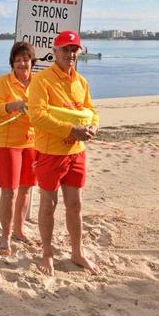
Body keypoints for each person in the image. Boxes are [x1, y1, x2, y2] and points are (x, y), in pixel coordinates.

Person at [27, 30, 100, 275]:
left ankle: (77, 253)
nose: (70, 54)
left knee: (75, 204)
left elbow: (91, 110)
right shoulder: (42, 80)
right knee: (49, 203)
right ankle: (46, 254)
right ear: (55, 51)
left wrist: (93, 126)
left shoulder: (81, 82)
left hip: (77, 151)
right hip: (51, 152)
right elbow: (37, 117)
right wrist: (71, 129)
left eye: (74, 50)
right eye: (65, 49)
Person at [0, 41, 38, 255]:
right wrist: (14, 106)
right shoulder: (3, 82)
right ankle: (5, 235)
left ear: (32, 62)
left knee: (27, 188)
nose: (22, 63)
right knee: (9, 191)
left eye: (25, 59)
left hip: (33, 142)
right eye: (17, 60)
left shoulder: (39, 82)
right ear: (12, 63)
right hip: (8, 142)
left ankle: (19, 230)